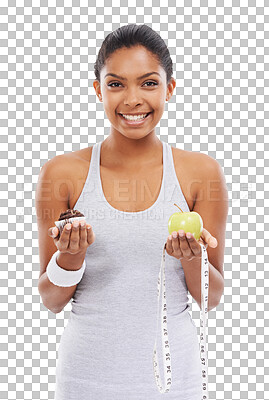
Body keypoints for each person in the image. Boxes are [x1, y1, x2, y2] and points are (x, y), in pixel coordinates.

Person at [36, 24, 228, 400]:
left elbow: (211, 298)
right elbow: (51, 300)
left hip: (175, 381)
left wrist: (193, 260)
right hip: (86, 380)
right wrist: (71, 257)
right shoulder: (63, 174)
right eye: (116, 84)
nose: (133, 99)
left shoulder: (201, 173)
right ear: (98, 89)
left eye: (149, 83)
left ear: (170, 88)